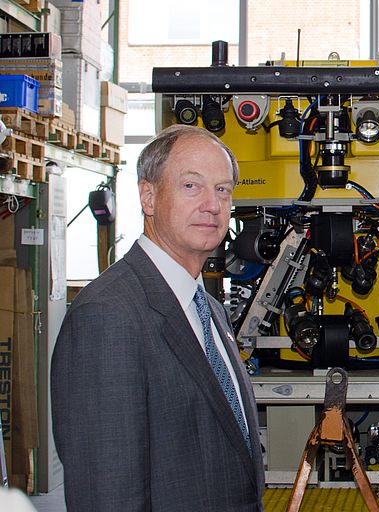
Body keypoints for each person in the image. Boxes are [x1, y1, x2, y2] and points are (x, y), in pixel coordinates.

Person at [52, 125, 265, 511]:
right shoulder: (108, 315)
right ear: (148, 196)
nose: (213, 205)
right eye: (191, 186)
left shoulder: (208, 309)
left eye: (223, 189)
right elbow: (108, 493)